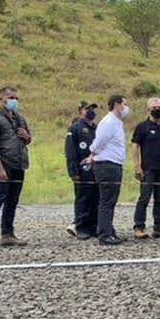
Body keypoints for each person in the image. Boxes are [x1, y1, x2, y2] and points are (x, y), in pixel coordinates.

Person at [0, 86, 32, 249]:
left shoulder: (20, 118)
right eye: (10, 97)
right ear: (1, 99)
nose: (14, 101)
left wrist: (27, 137)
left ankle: (7, 234)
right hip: (4, 163)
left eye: (16, 98)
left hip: (19, 163)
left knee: (13, 200)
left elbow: (27, 138)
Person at [85, 94, 130, 246]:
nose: (126, 107)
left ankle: (109, 230)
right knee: (107, 201)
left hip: (114, 164)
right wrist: (92, 154)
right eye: (124, 104)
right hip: (107, 165)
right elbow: (99, 143)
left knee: (110, 200)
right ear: (117, 105)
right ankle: (104, 234)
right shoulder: (109, 122)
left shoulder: (117, 123)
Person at [130, 96, 160, 238]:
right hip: (148, 169)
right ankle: (139, 227)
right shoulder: (142, 127)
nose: (157, 110)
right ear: (148, 110)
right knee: (144, 199)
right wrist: (137, 166)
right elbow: (135, 147)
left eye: (159, 108)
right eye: (154, 108)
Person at [64, 100, 100, 239]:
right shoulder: (75, 128)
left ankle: (93, 227)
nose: (91, 111)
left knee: (96, 198)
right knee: (83, 198)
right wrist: (72, 171)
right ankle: (81, 227)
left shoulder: (97, 128)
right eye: (88, 108)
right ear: (80, 111)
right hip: (81, 169)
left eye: (93, 108)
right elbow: (70, 151)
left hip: (96, 169)